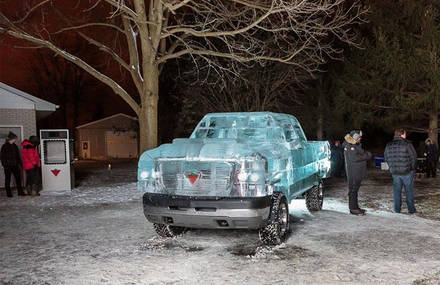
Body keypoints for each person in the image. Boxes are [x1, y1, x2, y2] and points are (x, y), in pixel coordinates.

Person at [384, 128, 418, 214]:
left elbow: (386, 157)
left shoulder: (388, 145)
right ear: (402, 134)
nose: (406, 135)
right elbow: (414, 157)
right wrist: (412, 169)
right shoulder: (407, 144)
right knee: (409, 191)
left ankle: (397, 209)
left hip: (395, 172)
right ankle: (411, 210)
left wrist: (392, 167)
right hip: (407, 172)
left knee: (397, 191)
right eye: (405, 134)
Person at [343, 130, 372, 215]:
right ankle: (353, 208)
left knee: (354, 190)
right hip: (353, 172)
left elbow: (358, 155)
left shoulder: (354, 145)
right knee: (353, 190)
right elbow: (354, 158)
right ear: (355, 137)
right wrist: (367, 155)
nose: (360, 138)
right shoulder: (350, 146)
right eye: (359, 137)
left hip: (356, 171)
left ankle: (355, 207)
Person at [0, 132, 25, 197]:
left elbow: (18, 156)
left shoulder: (15, 146)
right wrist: (5, 165)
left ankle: (20, 192)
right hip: (8, 166)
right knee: (8, 179)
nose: (16, 139)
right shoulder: (4, 146)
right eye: (15, 138)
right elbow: (2, 157)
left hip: (15, 165)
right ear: (12, 138)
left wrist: (20, 164)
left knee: (18, 178)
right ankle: (9, 193)